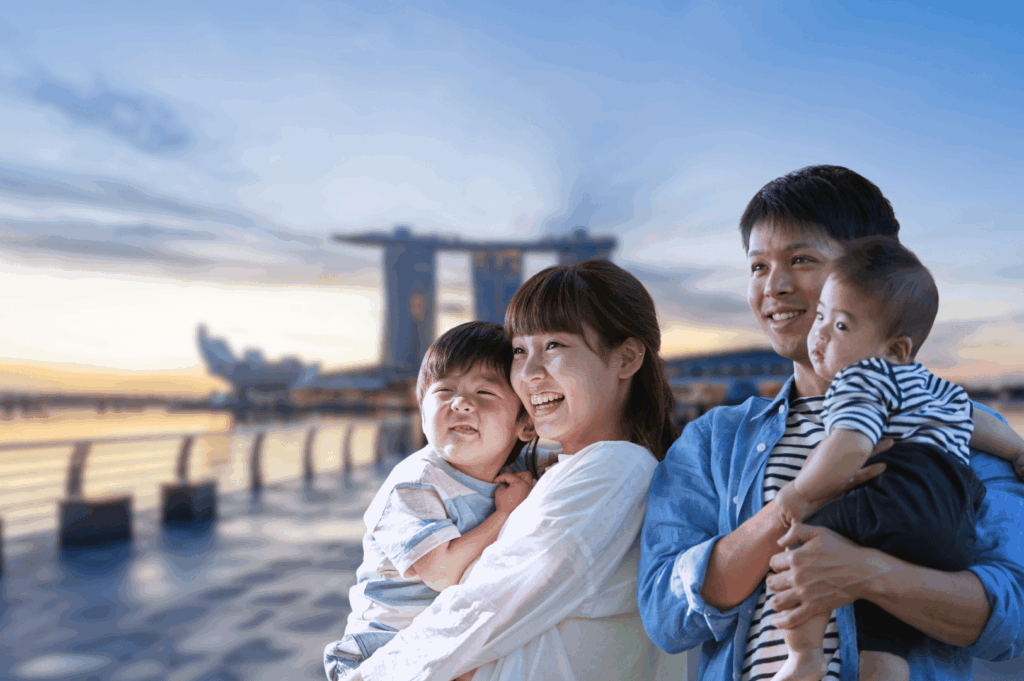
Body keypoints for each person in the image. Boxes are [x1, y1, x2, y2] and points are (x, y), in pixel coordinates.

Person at [639, 165, 1024, 681]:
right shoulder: (714, 441)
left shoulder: (952, 432)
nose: (773, 286)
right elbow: (667, 616)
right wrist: (796, 503)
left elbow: (1012, 615)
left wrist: (868, 575)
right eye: (757, 266)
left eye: (801, 259)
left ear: (873, 272)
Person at [340, 259, 684, 681]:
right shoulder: (555, 472)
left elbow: (481, 609)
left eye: (555, 346)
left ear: (626, 358)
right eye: (521, 351)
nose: (530, 374)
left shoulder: (613, 469)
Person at [771, 237, 1024, 681]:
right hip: (953, 523)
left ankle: (804, 656)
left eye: (843, 327)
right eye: (823, 316)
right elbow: (982, 427)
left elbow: (849, 447)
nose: (822, 333)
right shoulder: (934, 386)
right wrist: (1019, 451)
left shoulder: (862, 377)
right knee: (883, 631)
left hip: (901, 490)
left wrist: (798, 492)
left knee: (806, 548)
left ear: (894, 351)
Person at [324, 321, 537, 680]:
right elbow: (441, 572)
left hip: (439, 645)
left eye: (485, 393)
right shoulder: (413, 484)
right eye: (444, 390)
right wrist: (503, 515)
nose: (462, 403)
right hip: (381, 651)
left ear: (526, 426)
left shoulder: (517, 474)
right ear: (421, 409)